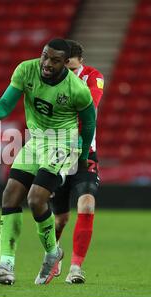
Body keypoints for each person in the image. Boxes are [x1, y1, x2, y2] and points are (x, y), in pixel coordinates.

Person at [0, 38, 96, 285]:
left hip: (62, 144)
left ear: (65, 63)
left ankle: (51, 254)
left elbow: (89, 123)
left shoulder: (77, 90)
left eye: (55, 60)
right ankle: (6, 266)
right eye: (45, 56)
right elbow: (6, 104)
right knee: (10, 195)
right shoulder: (26, 69)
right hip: (36, 142)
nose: (47, 63)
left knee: (36, 199)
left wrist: (82, 158)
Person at [51, 39, 104, 284]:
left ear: (80, 63)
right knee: (60, 218)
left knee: (87, 205)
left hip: (85, 154)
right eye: (64, 68)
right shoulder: (51, 78)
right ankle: (53, 255)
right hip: (58, 154)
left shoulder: (94, 77)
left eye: (72, 69)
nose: (68, 73)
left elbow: (90, 107)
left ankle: (75, 268)